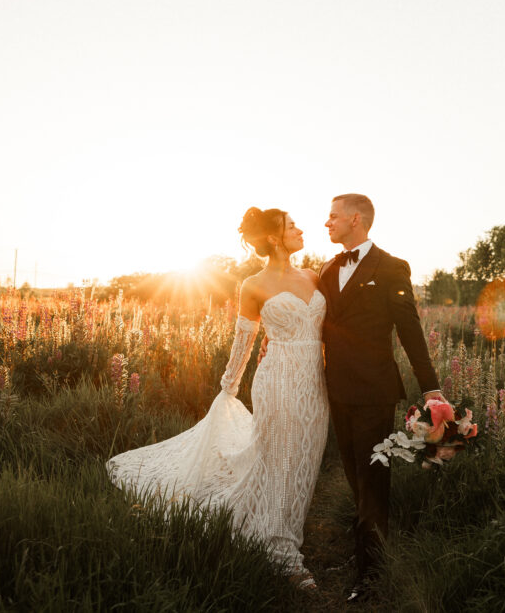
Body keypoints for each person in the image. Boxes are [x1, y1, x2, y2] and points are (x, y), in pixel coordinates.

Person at [106, 207, 329, 590]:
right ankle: (283, 555)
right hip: (277, 381)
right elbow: (244, 340)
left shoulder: (314, 276)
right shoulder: (253, 285)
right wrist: (230, 385)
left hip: (316, 384)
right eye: (292, 225)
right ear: (275, 237)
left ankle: (277, 524)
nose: (300, 229)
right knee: (282, 460)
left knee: (305, 462)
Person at [319, 193, 443, 603]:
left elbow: (410, 330)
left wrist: (431, 387)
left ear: (356, 219)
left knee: (373, 478)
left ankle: (371, 575)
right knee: (355, 474)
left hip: (373, 390)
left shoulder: (391, 268)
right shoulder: (328, 269)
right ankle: (364, 554)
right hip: (335, 389)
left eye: (333, 217)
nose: (327, 223)